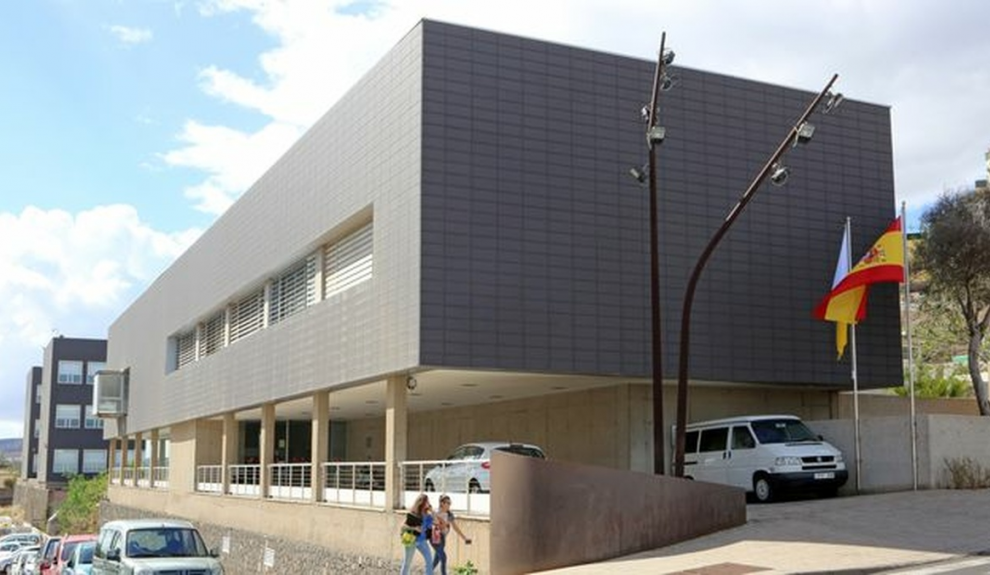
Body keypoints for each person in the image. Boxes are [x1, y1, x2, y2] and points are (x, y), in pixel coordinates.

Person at [431, 494, 471, 575]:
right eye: (447, 503)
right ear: (441, 503)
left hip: (443, 539)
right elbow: (433, 526)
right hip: (436, 539)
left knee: (437, 559)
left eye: (450, 503)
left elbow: (455, 527)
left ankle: (427, 572)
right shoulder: (435, 513)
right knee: (443, 558)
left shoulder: (449, 514)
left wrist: (464, 538)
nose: (449, 505)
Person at [400, 493, 434, 575]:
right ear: (421, 503)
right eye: (427, 501)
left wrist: (432, 511)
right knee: (407, 563)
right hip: (412, 540)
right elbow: (403, 527)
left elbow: (436, 521)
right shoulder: (413, 514)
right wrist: (414, 528)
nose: (428, 503)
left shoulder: (428, 515)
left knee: (429, 561)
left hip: (422, 541)